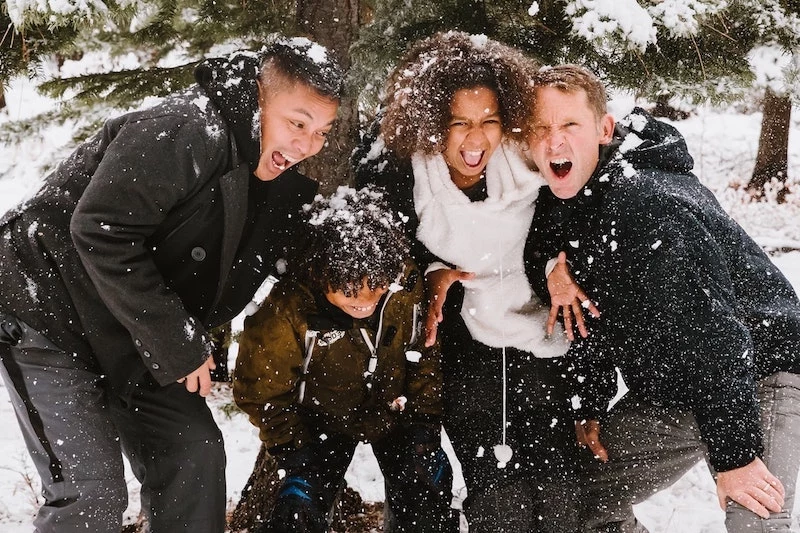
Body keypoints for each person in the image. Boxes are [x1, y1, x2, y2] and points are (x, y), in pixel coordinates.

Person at [0, 37, 343, 532]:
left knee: (194, 458)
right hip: (47, 307)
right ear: (260, 98)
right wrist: (179, 343)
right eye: (297, 123)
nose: (308, 146)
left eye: (321, 132)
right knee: (91, 495)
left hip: (131, 326)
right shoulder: (185, 128)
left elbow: (277, 257)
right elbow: (99, 229)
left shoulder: (266, 168)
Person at [524, 64, 800, 532]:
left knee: (756, 516)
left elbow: (713, 331)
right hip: (674, 389)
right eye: (540, 128)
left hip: (758, 368)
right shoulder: (565, 201)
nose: (555, 142)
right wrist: (589, 400)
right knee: (581, 500)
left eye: (570, 124)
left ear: (604, 129)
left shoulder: (646, 204)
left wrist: (736, 456)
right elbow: (587, 310)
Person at [354, 32, 590, 532]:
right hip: (460, 341)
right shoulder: (398, 172)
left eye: (489, 122)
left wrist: (557, 261)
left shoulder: (528, 160)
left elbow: (580, 191)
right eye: (458, 123)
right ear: (431, 122)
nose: (476, 140)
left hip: (541, 331)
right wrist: (430, 271)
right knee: (491, 480)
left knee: (556, 475)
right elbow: (378, 245)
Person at [233, 185, 457, 533]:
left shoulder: (404, 285)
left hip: (393, 412)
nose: (366, 298)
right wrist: (294, 448)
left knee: (426, 495)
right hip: (319, 423)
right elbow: (260, 390)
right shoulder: (288, 309)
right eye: (350, 289)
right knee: (297, 513)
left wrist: (423, 427)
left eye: (377, 285)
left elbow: (422, 354)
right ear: (321, 271)